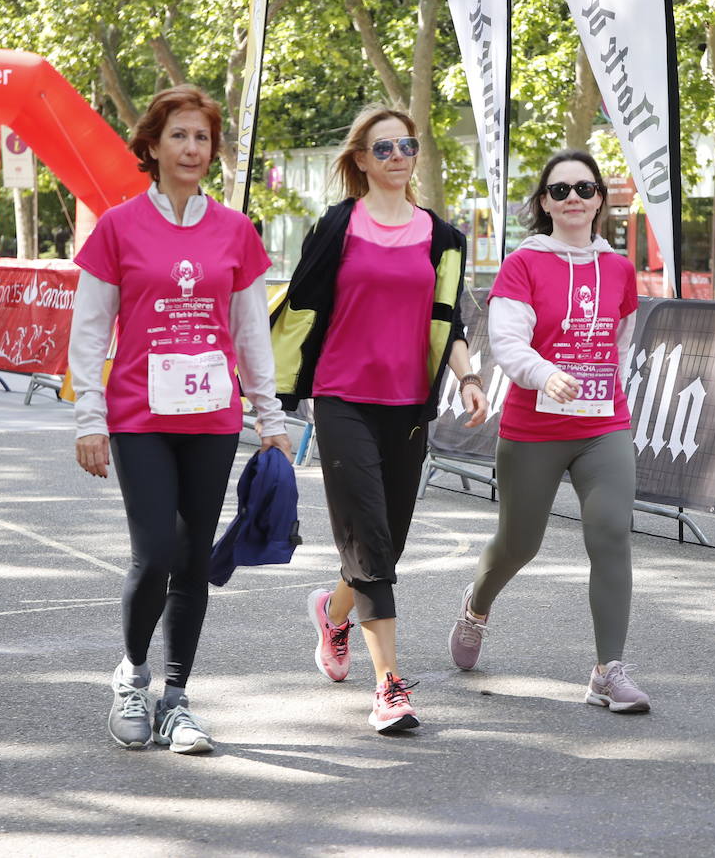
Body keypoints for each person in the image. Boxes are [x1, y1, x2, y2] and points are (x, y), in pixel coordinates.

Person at [67, 85, 292, 755]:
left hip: (212, 417)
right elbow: (89, 332)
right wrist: (89, 418)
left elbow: (253, 331)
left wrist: (270, 417)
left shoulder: (236, 232)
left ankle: (177, 698)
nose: (192, 148)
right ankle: (132, 675)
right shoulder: (117, 227)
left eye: (202, 138)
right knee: (156, 553)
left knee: (193, 561)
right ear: (153, 147)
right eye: (179, 136)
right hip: (139, 414)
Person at [270, 104, 488, 733]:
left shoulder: (442, 238)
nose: (398, 157)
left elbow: (450, 322)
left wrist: (468, 379)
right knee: (369, 535)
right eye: (384, 148)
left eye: (407, 146)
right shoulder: (338, 227)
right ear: (361, 160)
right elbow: (299, 306)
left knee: (381, 541)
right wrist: (270, 396)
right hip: (342, 399)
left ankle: (334, 615)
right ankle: (388, 685)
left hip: (408, 405)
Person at [448, 149, 649, 714]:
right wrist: (546, 373)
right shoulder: (524, 263)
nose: (574, 199)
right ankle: (477, 603)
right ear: (544, 203)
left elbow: (621, 340)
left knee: (611, 533)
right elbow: (508, 343)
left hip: (601, 425)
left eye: (584, 189)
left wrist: (602, 386)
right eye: (559, 191)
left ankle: (607, 671)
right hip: (534, 427)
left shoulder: (619, 268)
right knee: (519, 544)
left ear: (600, 200)